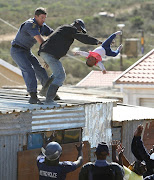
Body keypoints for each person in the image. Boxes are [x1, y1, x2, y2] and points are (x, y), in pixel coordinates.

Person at [38, 19, 102, 105]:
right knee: (60, 76)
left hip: (48, 53)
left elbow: (53, 41)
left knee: (56, 74)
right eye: (80, 29)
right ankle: (49, 99)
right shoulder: (70, 29)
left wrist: (47, 58)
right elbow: (83, 38)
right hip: (49, 54)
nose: (79, 31)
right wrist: (96, 41)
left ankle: (44, 92)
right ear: (76, 24)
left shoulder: (64, 29)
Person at [10, 7, 54, 104]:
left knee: (39, 69)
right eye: (41, 18)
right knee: (29, 70)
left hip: (26, 51)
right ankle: (33, 96)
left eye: (44, 18)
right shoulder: (30, 25)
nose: (43, 20)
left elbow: (54, 34)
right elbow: (41, 41)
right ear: (36, 16)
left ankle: (49, 93)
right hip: (17, 51)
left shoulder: (42, 26)